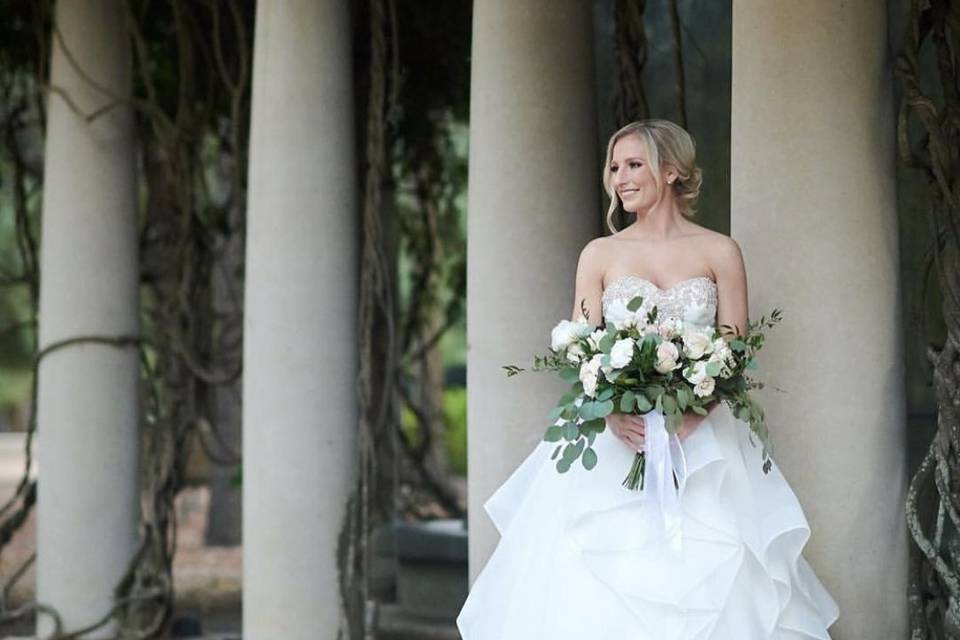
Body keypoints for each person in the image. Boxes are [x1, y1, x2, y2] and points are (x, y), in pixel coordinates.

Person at [456, 119, 840, 639]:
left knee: (720, 573)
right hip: (616, 440)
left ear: (673, 170)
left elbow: (734, 350)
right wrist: (611, 411)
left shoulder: (720, 252)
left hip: (702, 440)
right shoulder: (599, 254)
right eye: (615, 167)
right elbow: (581, 348)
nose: (620, 178)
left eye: (634, 165)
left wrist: (693, 414)